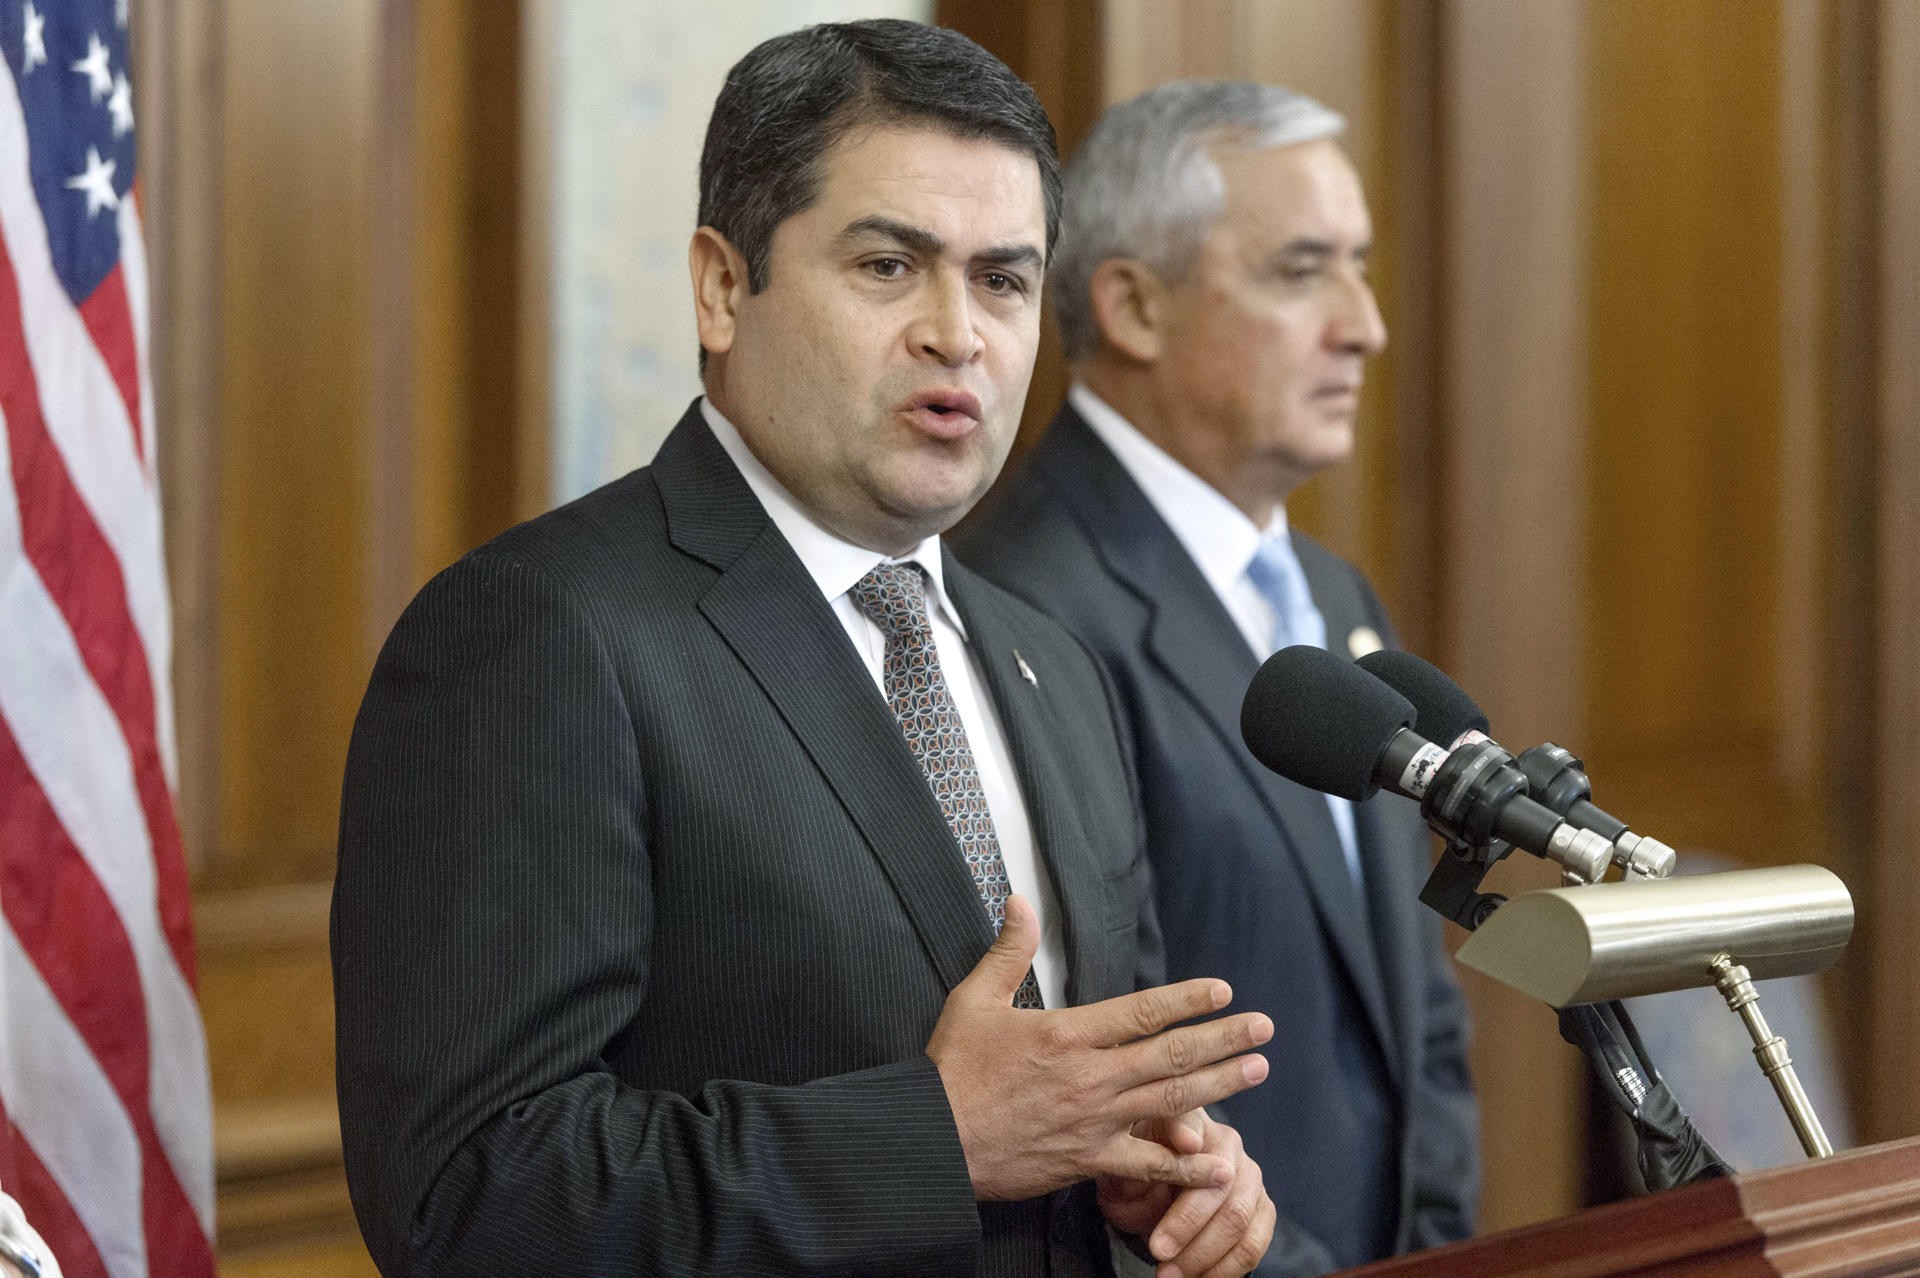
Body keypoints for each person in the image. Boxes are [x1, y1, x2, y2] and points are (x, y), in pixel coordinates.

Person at [332, 22, 1279, 1278]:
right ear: (725, 287)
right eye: (890, 266)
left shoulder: (1054, 663)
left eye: (1003, 281)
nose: (960, 335)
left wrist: (1167, 1177)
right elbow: (467, 1200)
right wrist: (932, 1138)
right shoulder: (543, 635)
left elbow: (1073, 1104)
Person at [955, 81, 1479, 1275]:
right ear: (1134, 304)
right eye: (1303, 272)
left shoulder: (1337, 597)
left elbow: (1422, 1028)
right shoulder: (1026, 609)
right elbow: (1112, 1067)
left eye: (1360, 265)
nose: (1365, 325)